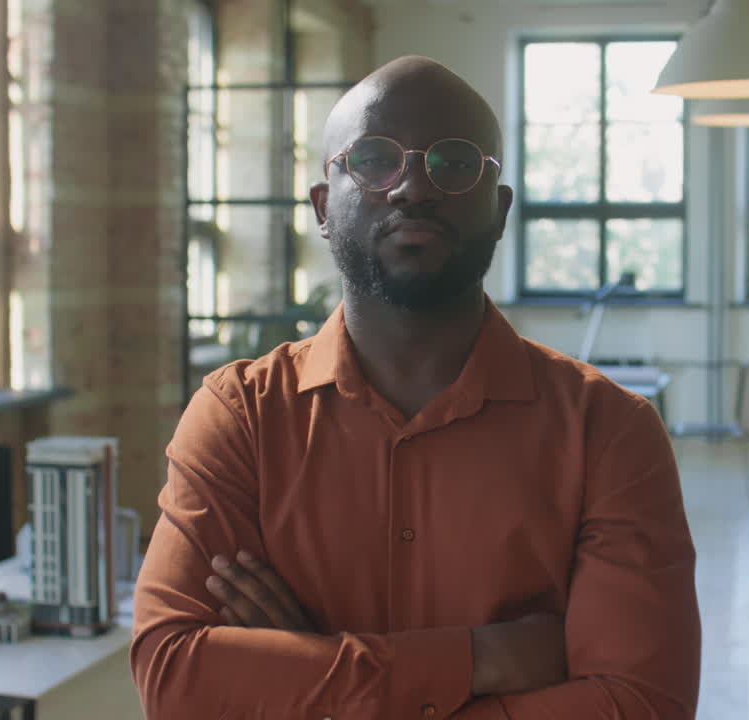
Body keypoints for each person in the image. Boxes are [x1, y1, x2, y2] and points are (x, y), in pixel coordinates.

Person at [130, 55, 701, 719]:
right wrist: (481, 659)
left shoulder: (608, 431)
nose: (413, 187)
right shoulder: (240, 417)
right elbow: (175, 677)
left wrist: (309, 669)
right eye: (374, 158)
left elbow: (640, 705)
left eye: (455, 163)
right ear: (323, 204)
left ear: (500, 207)